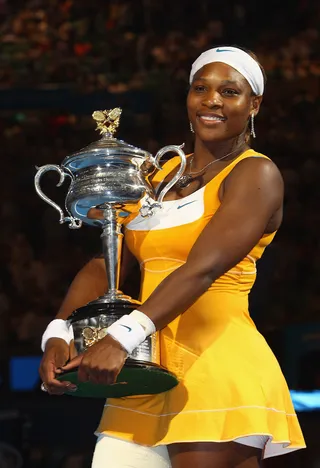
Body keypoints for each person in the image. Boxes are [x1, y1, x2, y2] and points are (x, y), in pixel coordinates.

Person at [39, 46, 306, 468]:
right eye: (201, 88)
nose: (212, 100)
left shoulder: (256, 174)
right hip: (145, 370)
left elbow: (201, 269)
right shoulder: (155, 177)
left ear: (253, 104)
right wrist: (57, 332)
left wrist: (121, 337)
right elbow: (104, 264)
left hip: (216, 365)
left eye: (229, 91)